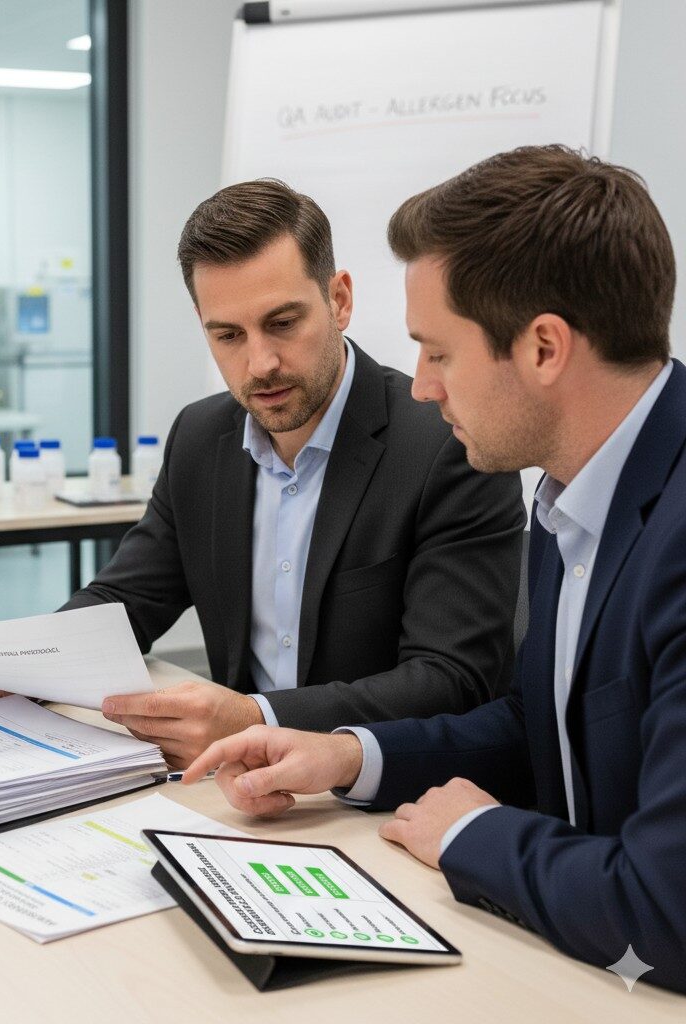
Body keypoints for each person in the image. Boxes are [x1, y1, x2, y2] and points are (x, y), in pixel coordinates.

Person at [183, 146, 686, 994]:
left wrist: (471, 836)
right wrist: (347, 755)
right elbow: (539, 730)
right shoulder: (572, 494)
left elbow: (666, 911)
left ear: (544, 348)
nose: (420, 388)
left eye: (439, 353)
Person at [0, 181, 525, 767]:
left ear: (339, 299)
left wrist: (257, 719)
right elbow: (128, 598)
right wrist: (21, 666)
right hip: (235, 787)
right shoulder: (201, 438)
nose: (260, 363)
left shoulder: (445, 444)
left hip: (382, 789)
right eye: (228, 336)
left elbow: (450, 679)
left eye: (283, 323)